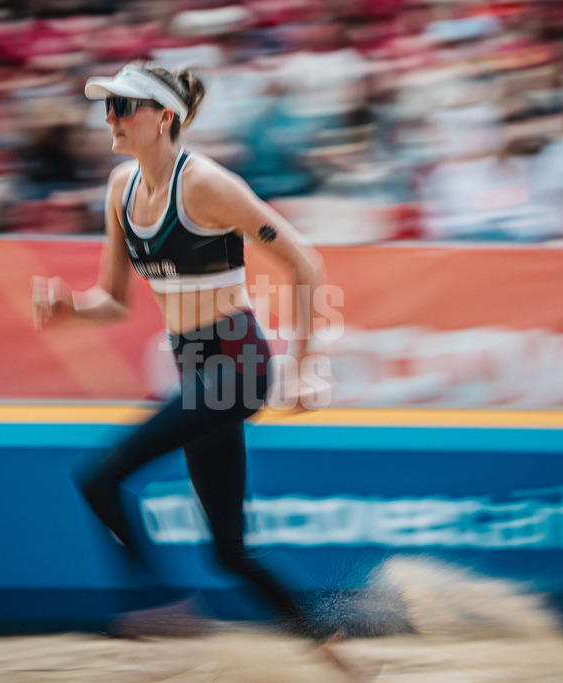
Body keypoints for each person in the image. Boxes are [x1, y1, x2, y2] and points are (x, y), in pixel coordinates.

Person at [31, 62, 354, 671]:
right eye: (109, 107)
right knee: (229, 552)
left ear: (164, 117)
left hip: (237, 361)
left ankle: (168, 605)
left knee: (99, 474)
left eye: (124, 107)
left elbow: (305, 263)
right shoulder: (120, 189)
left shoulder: (205, 183)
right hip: (196, 366)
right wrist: (69, 308)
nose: (110, 119)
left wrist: (307, 366)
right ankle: (331, 644)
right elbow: (115, 302)